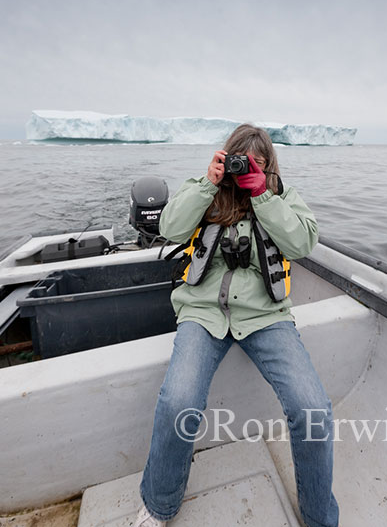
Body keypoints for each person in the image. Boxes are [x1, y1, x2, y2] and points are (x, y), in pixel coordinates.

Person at [134, 123, 340, 527]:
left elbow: (302, 243)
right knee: (178, 401)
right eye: (239, 162)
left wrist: (262, 194)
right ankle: (159, 506)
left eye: (256, 164)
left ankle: (320, 519)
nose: (245, 169)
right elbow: (169, 228)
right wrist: (206, 184)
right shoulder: (206, 190)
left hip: (266, 318)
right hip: (203, 312)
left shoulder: (282, 197)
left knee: (313, 408)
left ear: (269, 166)